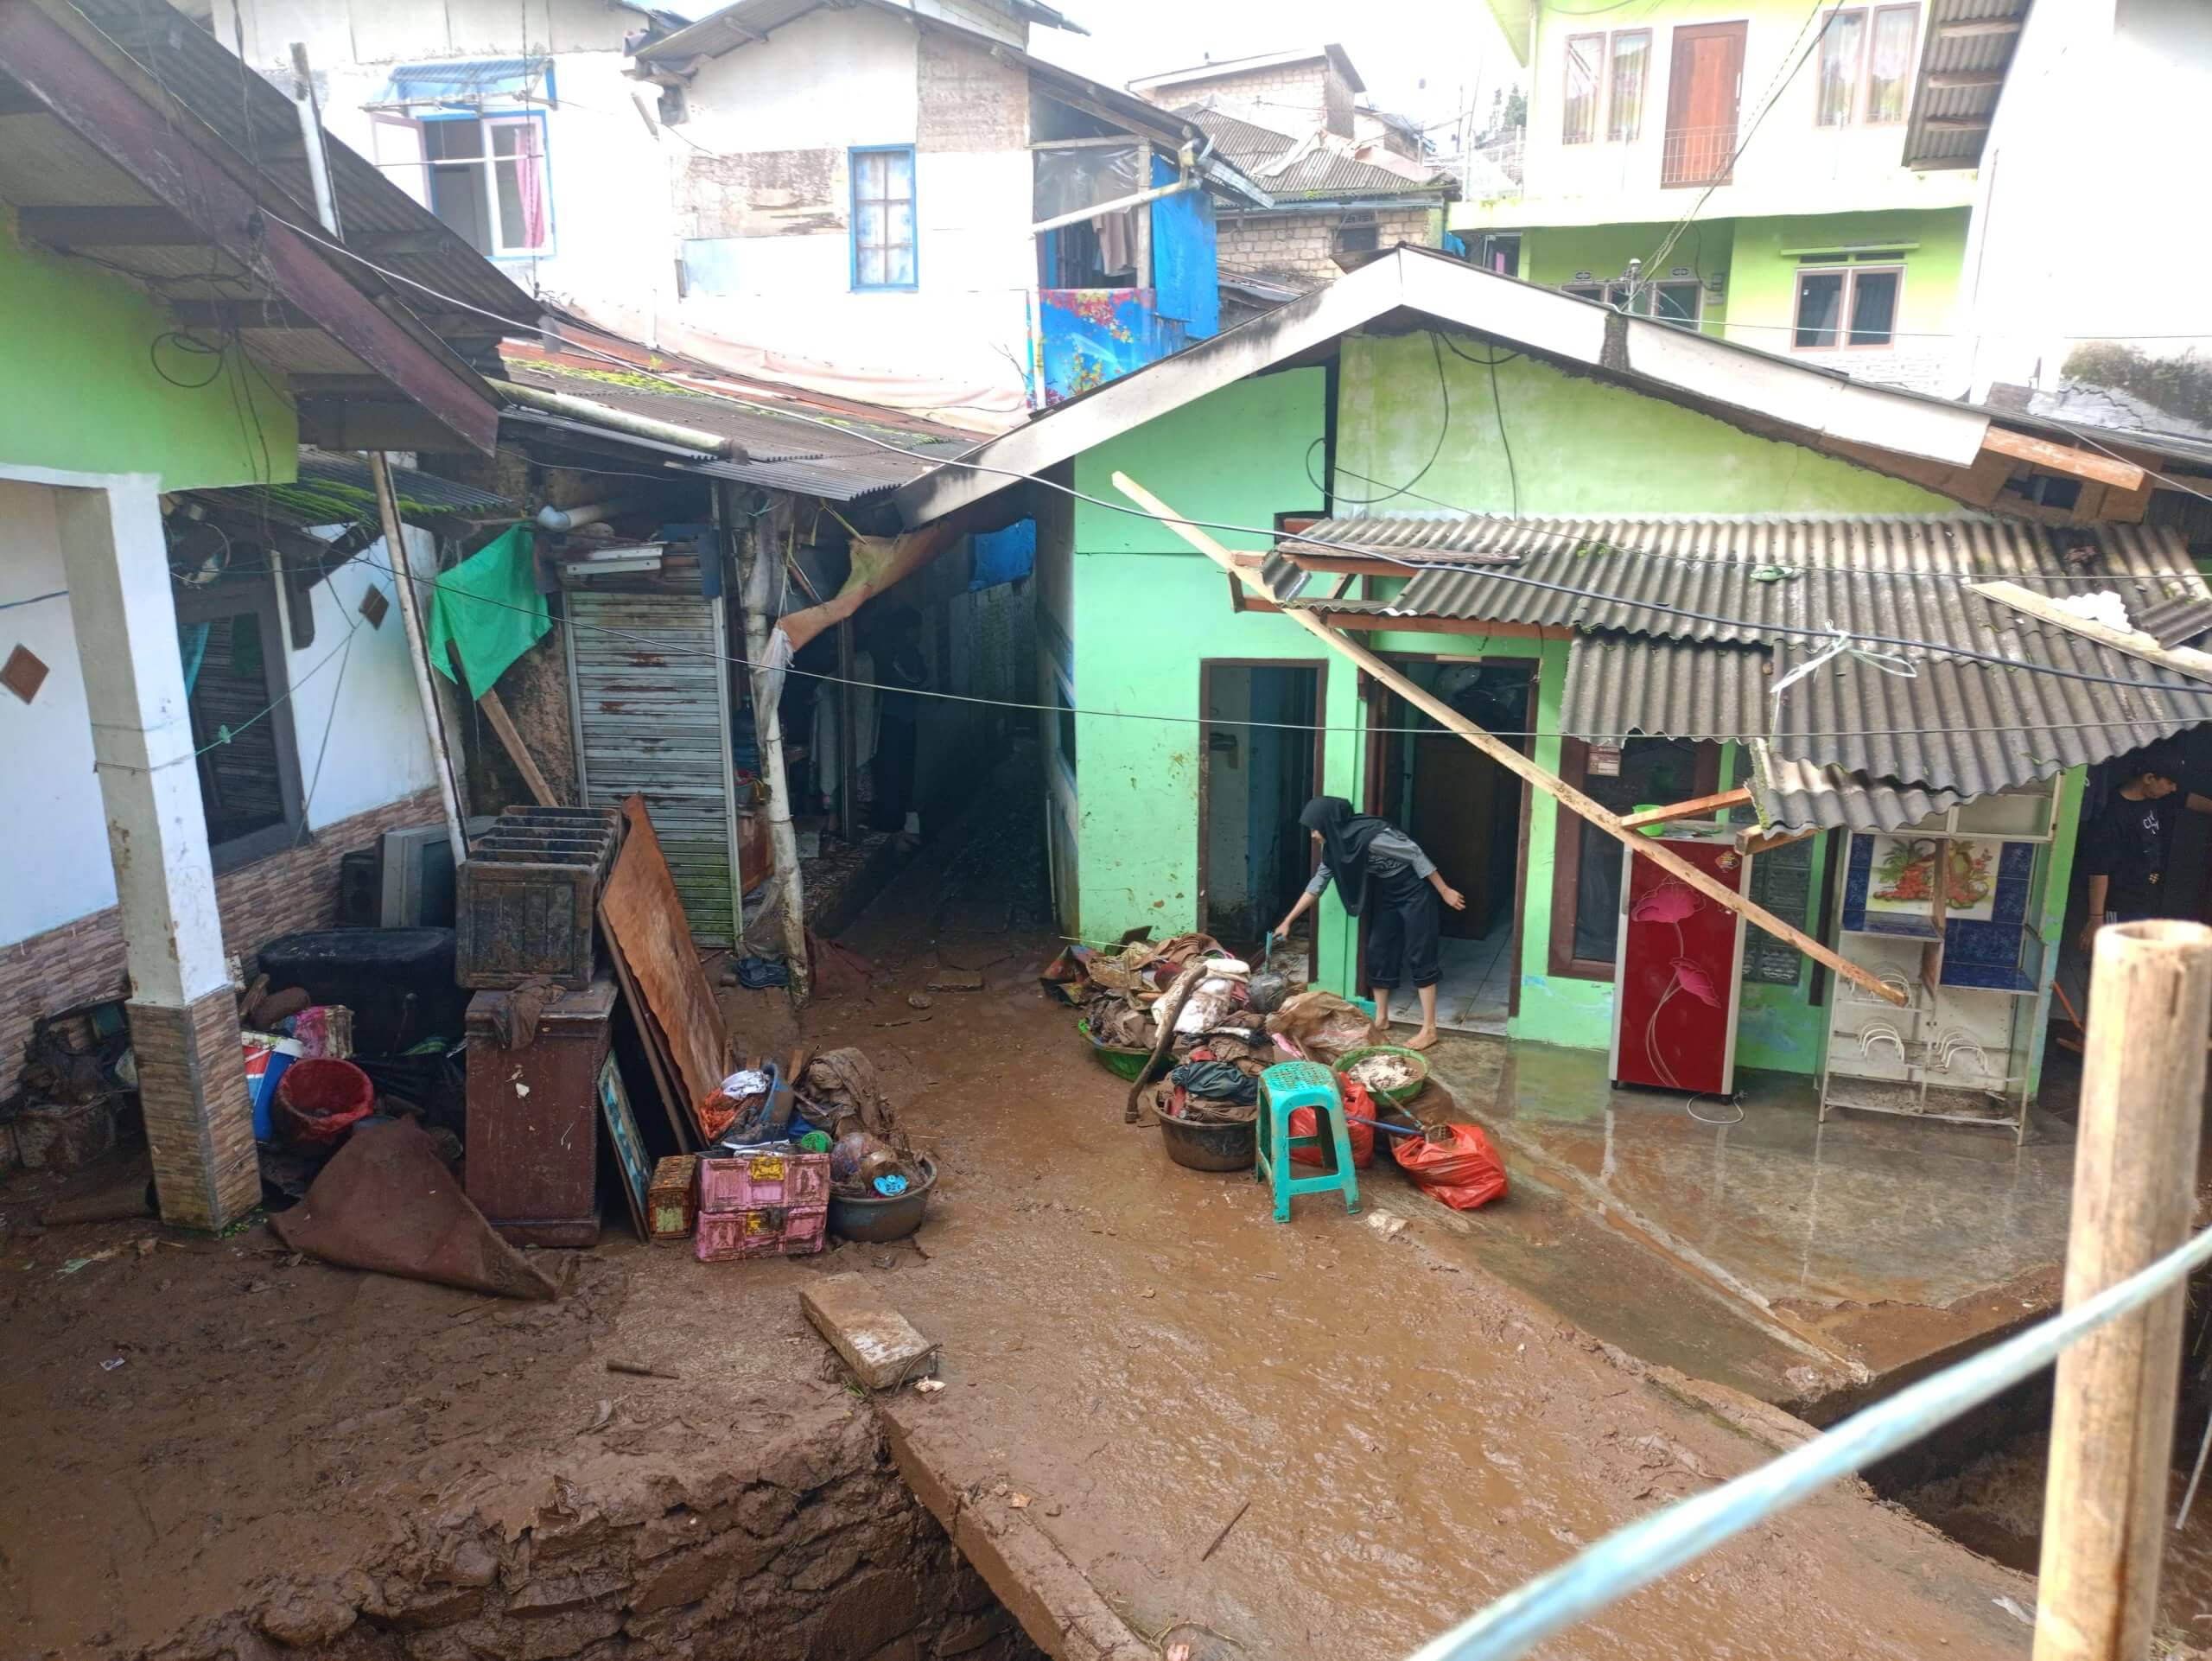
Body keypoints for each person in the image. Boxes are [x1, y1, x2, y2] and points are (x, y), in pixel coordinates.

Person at [1274, 796, 1465, 1051]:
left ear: (1329, 823)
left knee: (1420, 954)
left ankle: (1429, 1029)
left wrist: (1444, 890)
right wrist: (1288, 921)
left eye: (1315, 828)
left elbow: (1415, 853)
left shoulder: (1372, 838)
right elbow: (1317, 885)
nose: (1313, 835)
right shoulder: (1335, 848)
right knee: (1378, 950)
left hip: (1415, 892)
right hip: (1389, 893)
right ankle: (1382, 1018)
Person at [2076, 747, 2212, 951]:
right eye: (2170, 782)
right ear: (2149, 778)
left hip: (2144, 898)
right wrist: (2096, 917)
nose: (2173, 788)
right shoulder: (2114, 814)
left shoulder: (2156, 796)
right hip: (2120, 904)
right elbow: (2099, 870)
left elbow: (2187, 799)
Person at [869, 607, 928, 837]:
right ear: (906, 631)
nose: (919, 633)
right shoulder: (892, 655)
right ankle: (891, 824)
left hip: (906, 720)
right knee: (892, 773)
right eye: (916, 629)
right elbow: (915, 680)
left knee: (905, 772)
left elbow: (921, 677)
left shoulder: (912, 653)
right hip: (891, 721)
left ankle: (902, 822)